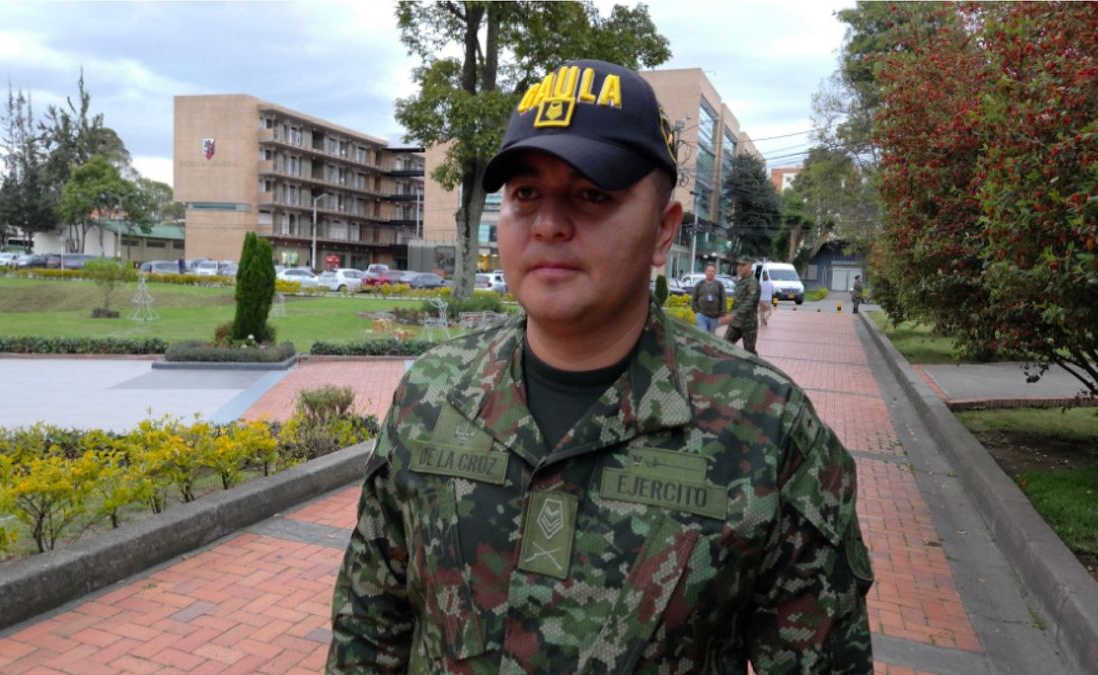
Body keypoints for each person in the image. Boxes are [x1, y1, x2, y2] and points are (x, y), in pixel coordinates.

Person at [330, 59, 873, 673]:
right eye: (525, 194)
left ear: (663, 231)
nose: (549, 224)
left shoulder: (767, 428)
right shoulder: (431, 394)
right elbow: (369, 631)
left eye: (592, 194)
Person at [721, 257, 761, 354]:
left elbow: (749, 302)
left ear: (750, 267)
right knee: (723, 346)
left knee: (749, 352)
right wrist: (728, 313)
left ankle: (754, 365)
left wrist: (733, 314)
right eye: (738, 265)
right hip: (735, 323)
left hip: (748, 324)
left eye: (743, 265)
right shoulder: (740, 281)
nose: (739, 267)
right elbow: (736, 302)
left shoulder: (752, 283)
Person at [690, 264, 726, 334]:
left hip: (714, 317)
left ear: (715, 273)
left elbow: (723, 300)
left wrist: (723, 314)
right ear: (705, 272)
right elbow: (694, 299)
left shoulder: (719, 285)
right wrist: (697, 311)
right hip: (701, 315)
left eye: (712, 271)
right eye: (708, 271)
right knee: (703, 335)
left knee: (711, 336)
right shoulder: (699, 284)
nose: (710, 273)